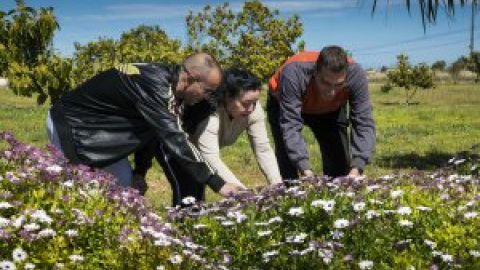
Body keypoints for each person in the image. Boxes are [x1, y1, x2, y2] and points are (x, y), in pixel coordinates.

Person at [46, 52, 245, 205]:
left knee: (122, 189)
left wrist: (139, 172)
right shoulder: (156, 86)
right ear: (190, 78)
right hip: (71, 127)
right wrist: (218, 183)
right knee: (79, 194)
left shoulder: (171, 88)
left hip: (99, 132)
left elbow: (149, 131)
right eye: (207, 91)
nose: (207, 97)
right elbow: (175, 138)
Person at [132, 69, 283, 197]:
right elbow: (210, 157)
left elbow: (262, 148)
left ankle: (190, 225)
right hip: (173, 142)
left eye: (255, 102)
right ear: (227, 97)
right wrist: (241, 193)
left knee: (197, 187)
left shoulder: (253, 111)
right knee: (188, 187)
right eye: (245, 103)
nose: (251, 109)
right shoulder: (209, 112)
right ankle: (181, 227)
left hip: (196, 151)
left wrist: (277, 184)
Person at [266, 46, 376, 180]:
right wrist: (305, 170)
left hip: (330, 110)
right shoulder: (294, 73)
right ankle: (290, 194)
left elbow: (363, 122)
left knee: (339, 165)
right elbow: (290, 125)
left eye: (338, 85)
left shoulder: (356, 75)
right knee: (287, 158)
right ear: (315, 72)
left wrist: (357, 168)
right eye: (325, 83)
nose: (331, 92)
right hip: (283, 102)